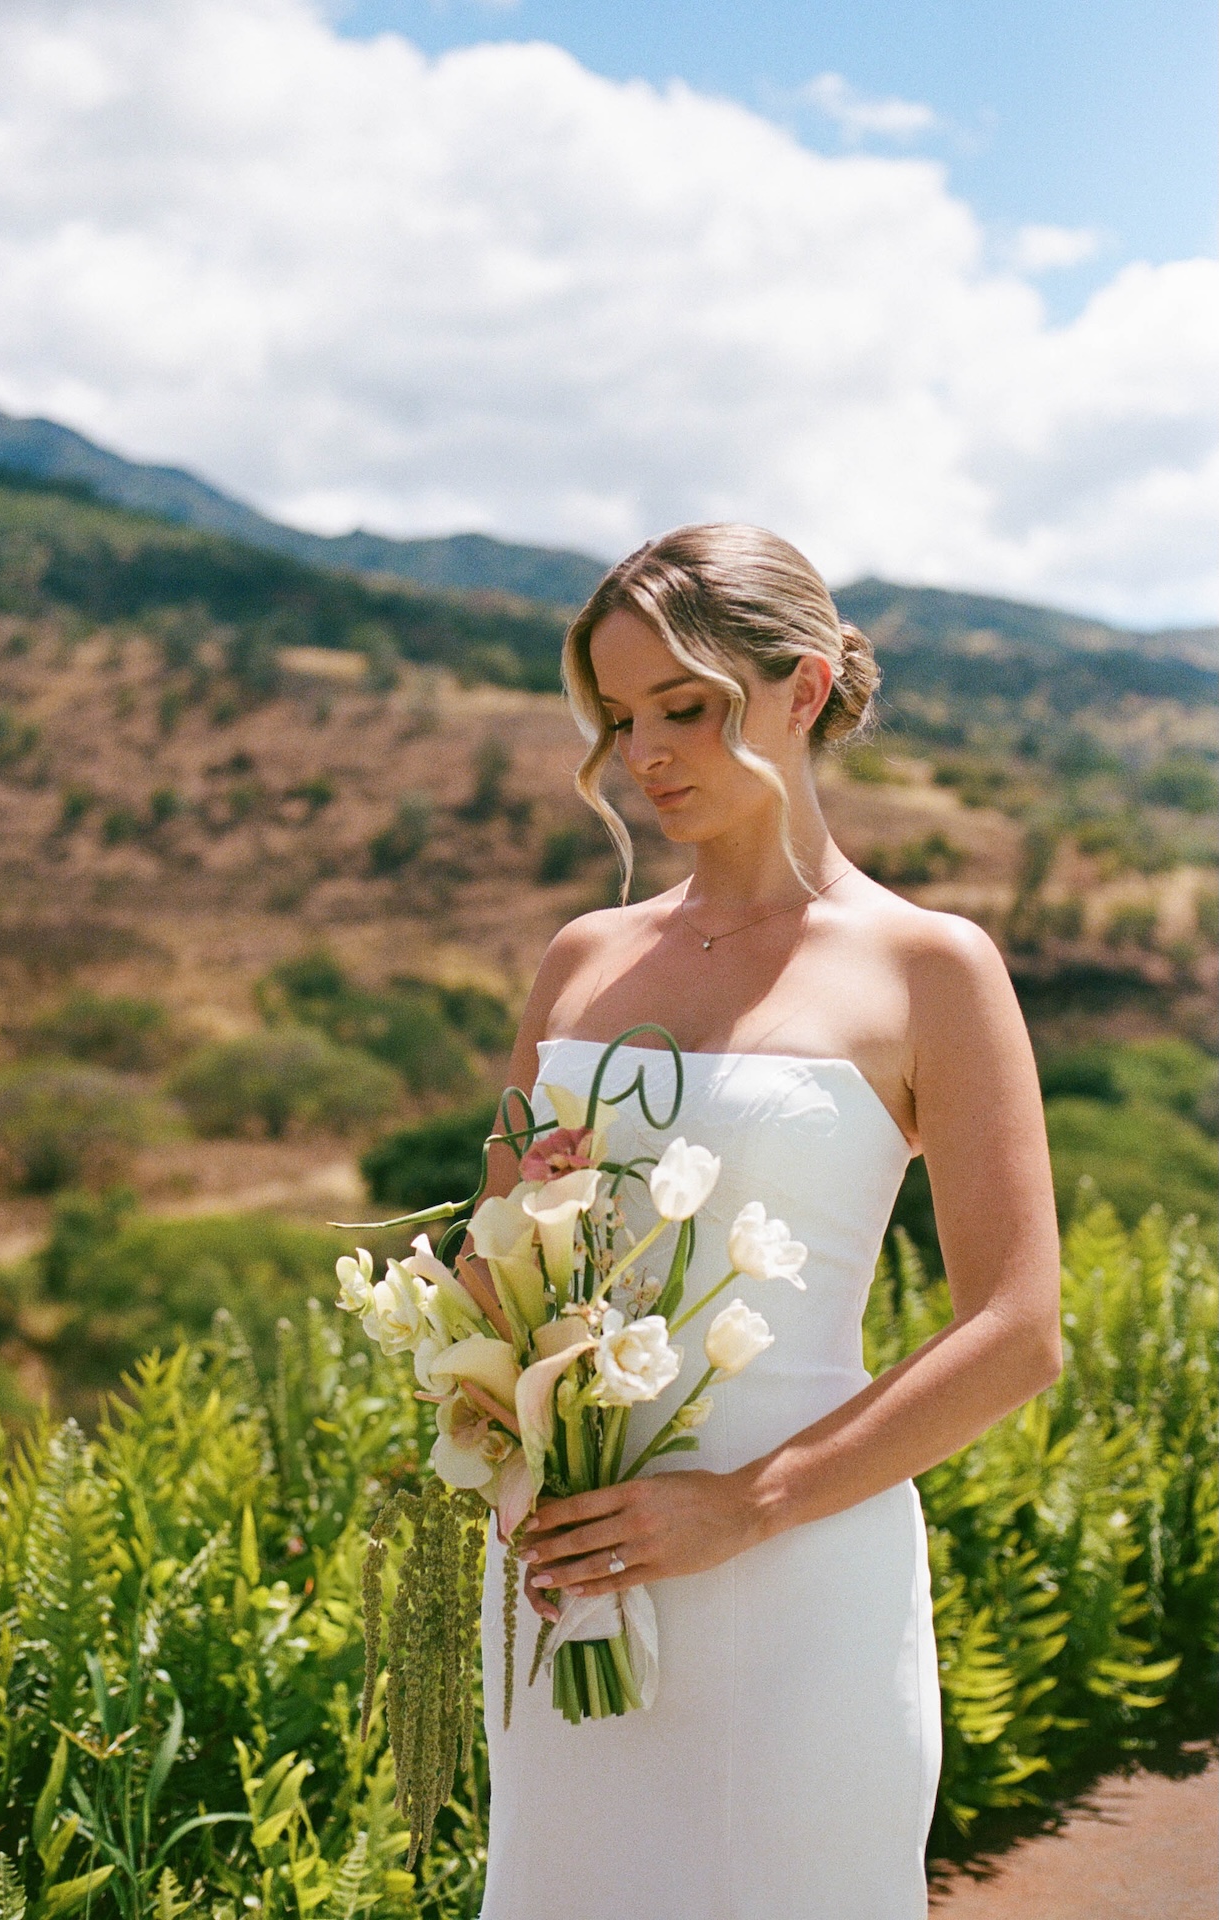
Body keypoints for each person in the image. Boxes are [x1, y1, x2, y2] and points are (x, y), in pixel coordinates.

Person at [476, 523, 1062, 1920]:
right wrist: (493, 1416)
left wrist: (743, 1508)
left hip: (803, 1576)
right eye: (621, 719)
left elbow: (1016, 1329)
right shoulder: (581, 956)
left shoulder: (929, 967)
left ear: (801, 691)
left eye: (686, 706)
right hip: (573, 1580)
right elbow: (492, 1265)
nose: (647, 755)